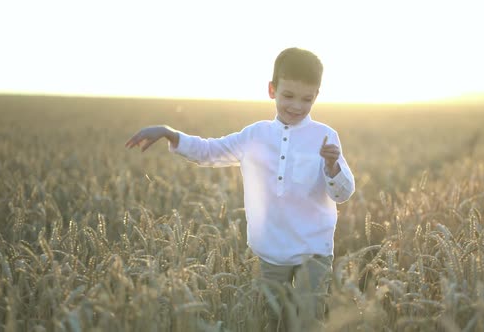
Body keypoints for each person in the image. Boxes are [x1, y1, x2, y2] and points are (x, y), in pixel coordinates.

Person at [125, 47, 355, 331]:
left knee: (308, 321)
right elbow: (210, 151)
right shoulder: (255, 135)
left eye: (306, 99)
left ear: (316, 96)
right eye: (288, 96)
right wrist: (171, 133)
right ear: (272, 90)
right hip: (271, 248)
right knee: (270, 320)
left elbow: (342, 193)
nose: (296, 106)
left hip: (314, 247)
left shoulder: (325, 136)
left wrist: (333, 168)